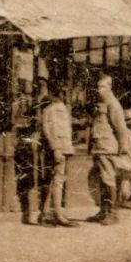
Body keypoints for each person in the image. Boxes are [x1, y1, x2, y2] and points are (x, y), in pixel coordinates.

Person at [87, 73, 128, 225]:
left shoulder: (113, 104)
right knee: (101, 181)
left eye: (103, 87)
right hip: (99, 148)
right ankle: (103, 211)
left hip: (108, 148)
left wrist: (122, 148)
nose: (99, 90)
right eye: (98, 87)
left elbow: (121, 128)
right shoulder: (100, 104)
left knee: (108, 180)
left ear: (110, 87)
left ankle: (113, 213)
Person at [36, 79, 78, 227]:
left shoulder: (51, 109)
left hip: (59, 148)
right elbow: (53, 131)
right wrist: (57, 149)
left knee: (54, 180)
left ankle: (46, 213)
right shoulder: (57, 109)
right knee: (58, 181)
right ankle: (57, 214)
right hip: (60, 148)